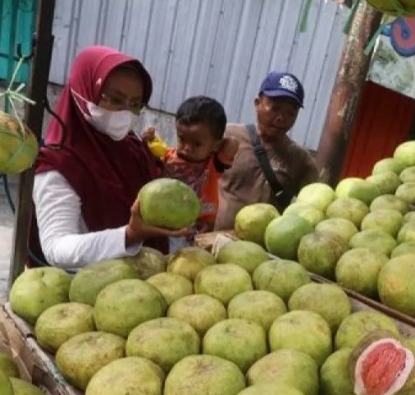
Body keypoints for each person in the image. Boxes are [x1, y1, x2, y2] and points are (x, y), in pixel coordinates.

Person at [28, 46, 188, 272]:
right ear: (82, 92)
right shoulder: (59, 164)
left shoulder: (132, 147)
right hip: (86, 288)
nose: (125, 112)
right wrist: (129, 235)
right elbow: (57, 248)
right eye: (114, 99)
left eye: (135, 104)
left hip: (145, 281)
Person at [214, 71, 322, 231]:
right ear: (257, 103)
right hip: (209, 240)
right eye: (275, 108)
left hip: (261, 252)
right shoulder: (226, 136)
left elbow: (310, 209)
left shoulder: (301, 160)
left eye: (290, 113)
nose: (281, 118)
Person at [141, 96, 239, 251]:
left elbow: (233, 143)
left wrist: (216, 145)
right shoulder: (169, 156)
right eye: (182, 139)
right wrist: (150, 139)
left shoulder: (214, 163)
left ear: (215, 145)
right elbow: (155, 150)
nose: (186, 148)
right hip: (166, 224)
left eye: (196, 144)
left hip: (199, 230)